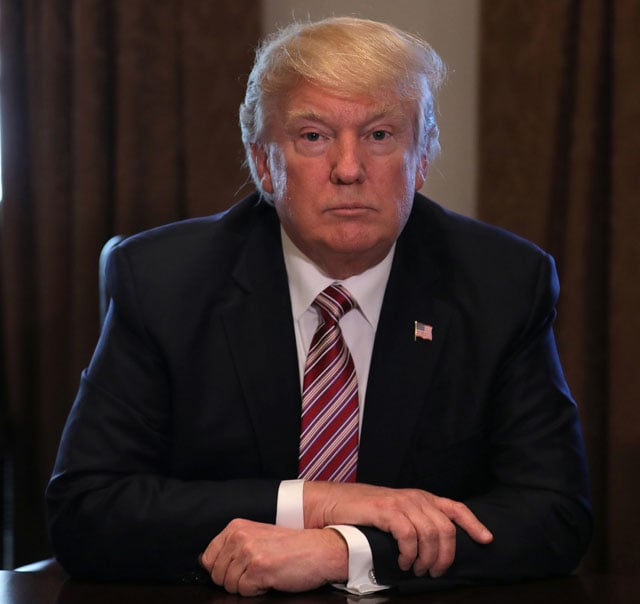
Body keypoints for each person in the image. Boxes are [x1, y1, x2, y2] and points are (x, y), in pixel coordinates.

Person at [46, 17, 592, 596]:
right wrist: (323, 501)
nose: (349, 169)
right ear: (262, 163)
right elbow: (87, 511)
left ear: (423, 156)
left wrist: (345, 548)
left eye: (381, 135)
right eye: (313, 136)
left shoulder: (502, 283)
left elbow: (553, 516)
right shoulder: (163, 279)